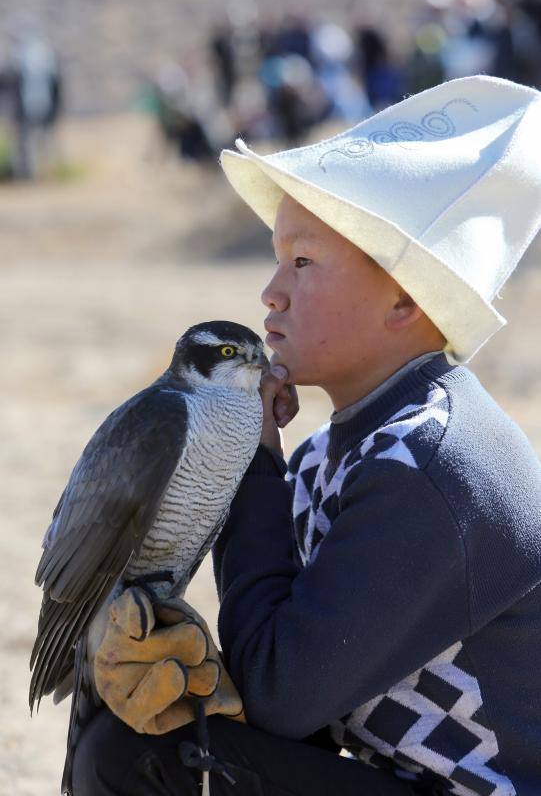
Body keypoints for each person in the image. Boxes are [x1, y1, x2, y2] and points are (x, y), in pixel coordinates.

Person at [72, 75, 541, 796]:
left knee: (140, 759)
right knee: (141, 731)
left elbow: (280, 699)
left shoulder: (429, 463)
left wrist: (256, 465)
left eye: (301, 261)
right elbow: (311, 706)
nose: (269, 292)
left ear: (404, 299)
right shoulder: (347, 447)